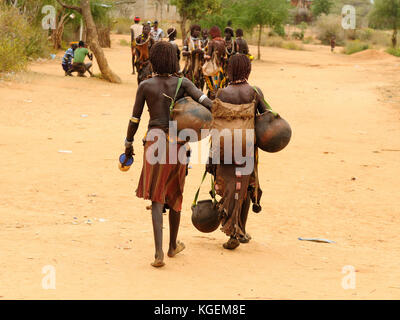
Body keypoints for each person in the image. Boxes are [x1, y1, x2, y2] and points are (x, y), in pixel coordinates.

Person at [123, 41, 212, 267]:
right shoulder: (184, 83)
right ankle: (173, 246)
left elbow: (135, 119)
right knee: (175, 194)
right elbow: (206, 103)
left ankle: (158, 254)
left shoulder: (146, 85)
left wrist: (128, 143)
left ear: (153, 60)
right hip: (178, 142)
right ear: (174, 60)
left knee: (156, 196)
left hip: (154, 140)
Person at [207, 54, 265, 250]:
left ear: (229, 70)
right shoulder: (255, 92)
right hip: (247, 148)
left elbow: (213, 123)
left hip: (224, 148)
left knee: (228, 188)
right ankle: (241, 230)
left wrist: (210, 156)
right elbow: (266, 118)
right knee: (246, 187)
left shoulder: (222, 93)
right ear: (247, 70)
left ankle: (231, 230)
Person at [204, 26, 226, 99]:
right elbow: (224, 56)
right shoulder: (223, 42)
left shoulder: (211, 42)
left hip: (213, 70)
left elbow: (208, 56)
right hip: (221, 69)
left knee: (212, 89)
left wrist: (202, 55)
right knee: (219, 87)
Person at [182, 24, 204, 89]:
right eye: (196, 30)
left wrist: (201, 52)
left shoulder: (200, 41)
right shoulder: (187, 40)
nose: (198, 32)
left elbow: (204, 52)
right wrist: (192, 52)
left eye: (199, 30)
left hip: (199, 67)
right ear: (192, 31)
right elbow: (183, 53)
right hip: (190, 66)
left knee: (199, 83)